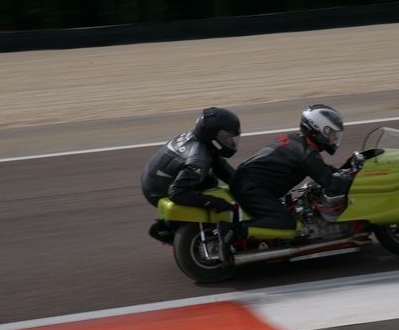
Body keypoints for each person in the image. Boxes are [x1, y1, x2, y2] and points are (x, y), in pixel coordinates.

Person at [217, 104, 353, 257]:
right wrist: (356, 184)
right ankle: (232, 230)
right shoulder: (307, 155)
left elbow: (321, 169)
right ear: (319, 131)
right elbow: (331, 183)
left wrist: (342, 171)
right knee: (286, 222)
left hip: (247, 180)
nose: (334, 139)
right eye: (332, 134)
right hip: (250, 187)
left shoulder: (295, 139)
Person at [141, 107, 241, 243]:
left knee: (209, 179)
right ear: (213, 136)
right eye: (227, 137)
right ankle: (168, 227)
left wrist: (243, 182)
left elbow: (221, 166)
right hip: (157, 189)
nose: (232, 142)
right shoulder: (198, 159)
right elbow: (177, 192)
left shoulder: (202, 141)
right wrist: (214, 202)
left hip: (155, 175)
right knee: (210, 189)